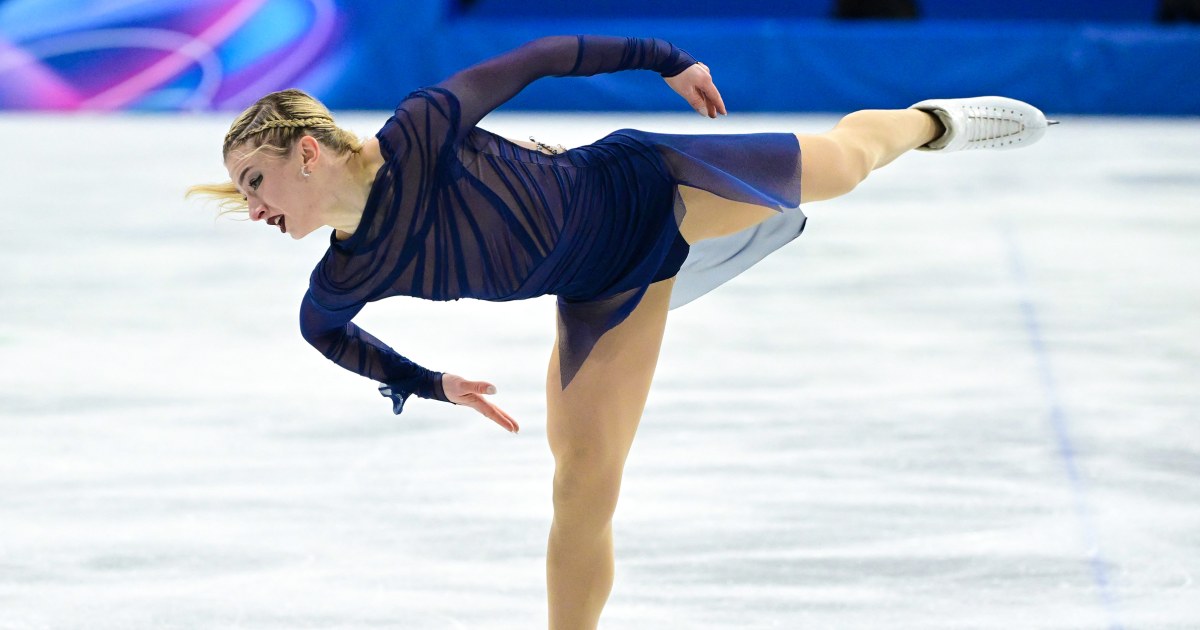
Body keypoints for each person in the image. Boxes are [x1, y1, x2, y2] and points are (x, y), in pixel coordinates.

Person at [189, 35, 1051, 630]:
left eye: (255, 179)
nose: (253, 206)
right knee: (582, 482)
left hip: (652, 187)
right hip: (603, 289)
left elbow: (538, 59)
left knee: (845, 167)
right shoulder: (348, 273)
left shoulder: (418, 134)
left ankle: (933, 123)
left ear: (308, 153)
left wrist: (668, 61)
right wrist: (431, 383)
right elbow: (323, 331)